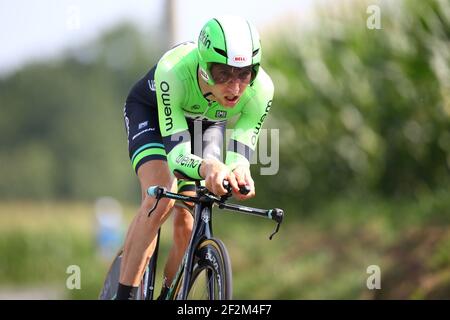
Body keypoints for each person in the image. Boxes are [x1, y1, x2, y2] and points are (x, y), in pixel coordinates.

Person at [117, 15, 274, 300]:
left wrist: (240, 172)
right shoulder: (173, 71)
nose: (235, 87)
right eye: (222, 74)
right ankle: (124, 295)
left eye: (244, 73)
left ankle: (169, 294)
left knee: (188, 220)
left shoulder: (261, 90)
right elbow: (178, 157)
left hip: (206, 123)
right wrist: (208, 166)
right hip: (153, 113)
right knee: (161, 198)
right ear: (203, 66)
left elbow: (240, 154)